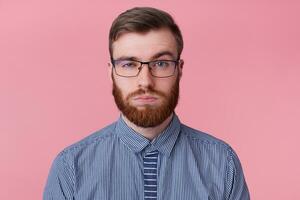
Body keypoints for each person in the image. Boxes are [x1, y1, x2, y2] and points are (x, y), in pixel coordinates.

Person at [43, 7, 250, 200]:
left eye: (160, 64)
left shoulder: (223, 164)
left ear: (179, 69)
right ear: (111, 72)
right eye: (129, 64)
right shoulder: (70, 168)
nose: (145, 81)